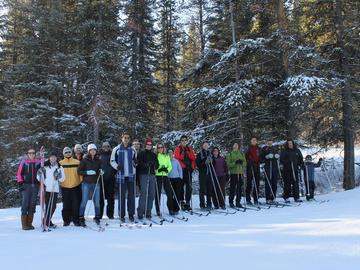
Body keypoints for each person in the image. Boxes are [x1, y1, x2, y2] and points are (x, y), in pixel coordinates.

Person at [110, 133, 137, 222]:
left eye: (128, 138)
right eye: (125, 138)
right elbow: (112, 161)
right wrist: (117, 166)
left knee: (131, 196)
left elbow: (135, 160)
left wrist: (135, 165)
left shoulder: (132, 149)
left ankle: (131, 214)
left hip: (130, 176)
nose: (126, 139)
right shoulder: (116, 149)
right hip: (121, 176)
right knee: (121, 196)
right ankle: (121, 215)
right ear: (122, 139)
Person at [37, 152, 65, 228]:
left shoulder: (59, 167)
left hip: (54, 189)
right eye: (51, 157)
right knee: (47, 206)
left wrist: (58, 175)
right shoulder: (45, 166)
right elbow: (38, 178)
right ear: (49, 158)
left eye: (54, 157)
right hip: (46, 189)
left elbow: (63, 179)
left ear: (56, 158)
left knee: (53, 206)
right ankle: (47, 221)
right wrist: (40, 174)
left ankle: (46, 220)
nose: (53, 158)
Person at [78, 144, 102, 226]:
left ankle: (97, 216)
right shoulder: (84, 160)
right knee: (84, 201)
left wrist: (101, 172)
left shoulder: (98, 160)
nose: (93, 151)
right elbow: (79, 171)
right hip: (86, 183)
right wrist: (87, 172)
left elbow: (99, 170)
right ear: (88, 151)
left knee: (97, 201)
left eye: (94, 150)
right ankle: (81, 217)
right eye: (91, 150)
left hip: (96, 183)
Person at [17, 148, 41, 230]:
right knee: (25, 203)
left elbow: (42, 170)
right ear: (27, 154)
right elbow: (19, 173)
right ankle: (24, 224)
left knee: (33, 203)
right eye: (30, 153)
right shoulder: (24, 162)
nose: (31, 154)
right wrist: (20, 183)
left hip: (35, 185)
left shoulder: (38, 161)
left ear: (35, 154)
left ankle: (29, 223)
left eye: (33, 153)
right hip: (26, 185)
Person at [59, 147, 82, 226]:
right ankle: (66, 220)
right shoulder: (60, 163)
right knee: (66, 204)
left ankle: (76, 220)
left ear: (71, 153)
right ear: (63, 154)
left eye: (69, 152)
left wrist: (80, 181)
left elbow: (80, 173)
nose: (68, 153)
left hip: (75, 186)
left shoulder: (77, 162)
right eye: (66, 152)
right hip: (65, 187)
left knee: (76, 204)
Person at [137, 139, 159, 219]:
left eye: (150, 144)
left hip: (152, 175)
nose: (149, 146)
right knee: (144, 193)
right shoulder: (141, 153)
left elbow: (157, 165)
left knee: (152, 194)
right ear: (145, 145)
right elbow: (139, 163)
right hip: (143, 175)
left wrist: (154, 164)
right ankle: (140, 211)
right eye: (147, 144)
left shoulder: (154, 155)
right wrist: (145, 165)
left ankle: (148, 211)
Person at [174, 135, 196, 211]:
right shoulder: (178, 149)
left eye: (185, 140)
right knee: (181, 186)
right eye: (182, 140)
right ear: (181, 141)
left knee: (189, 186)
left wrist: (192, 167)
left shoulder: (189, 149)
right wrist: (184, 166)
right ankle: (182, 201)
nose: (184, 141)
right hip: (181, 170)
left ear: (187, 141)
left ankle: (187, 201)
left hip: (188, 169)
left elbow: (193, 159)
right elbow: (177, 159)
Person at [280, 139, 304, 203]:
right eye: (289, 143)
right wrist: (287, 162)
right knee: (287, 184)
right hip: (287, 170)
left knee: (295, 183)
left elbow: (300, 159)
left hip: (295, 169)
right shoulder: (285, 151)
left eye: (291, 143)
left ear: (293, 144)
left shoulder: (297, 150)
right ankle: (286, 197)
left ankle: (296, 197)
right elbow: (282, 160)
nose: (290, 144)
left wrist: (300, 164)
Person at [226, 143, 247, 208]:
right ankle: (231, 202)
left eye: (236, 146)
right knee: (232, 188)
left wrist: (241, 163)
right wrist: (235, 163)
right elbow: (228, 164)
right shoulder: (229, 154)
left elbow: (245, 163)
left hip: (240, 173)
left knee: (239, 188)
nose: (235, 147)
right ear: (232, 147)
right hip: (233, 173)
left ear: (238, 147)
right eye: (234, 146)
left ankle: (238, 201)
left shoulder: (241, 154)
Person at [154, 143, 172, 216]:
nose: (160, 149)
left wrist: (167, 170)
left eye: (161, 147)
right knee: (158, 193)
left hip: (165, 176)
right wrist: (158, 169)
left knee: (169, 193)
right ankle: (158, 210)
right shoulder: (155, 156)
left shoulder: (166, 156)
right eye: (159, 148)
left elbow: (170, 166)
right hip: (158, 176)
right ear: (157, 149)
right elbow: (154, 166)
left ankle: (170, 209)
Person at [99, 142, 116, 219]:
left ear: (109, 147)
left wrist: (114, 173)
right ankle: (100, 214)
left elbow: (115, 165)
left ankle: (110, 214)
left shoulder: (112, 154)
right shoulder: (99, 155)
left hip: (111, 179)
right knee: (101, 198)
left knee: (111, 198)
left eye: (107, 146)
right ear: (102, 147)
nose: (106, 148)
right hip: (102, 179)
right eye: (104, 146)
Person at [196, 141, 214, 210]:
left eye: (207, 145)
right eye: (205, 145)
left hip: (209, 173)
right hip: (203, 173)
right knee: (202, 189)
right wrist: (205, 162)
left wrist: (212, 161)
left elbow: (213, 163)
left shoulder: (210, 153)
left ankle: (209, 204)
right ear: (203, 146)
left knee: (209, 189)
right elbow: (198, 164)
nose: (206, 146)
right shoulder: (200, 154)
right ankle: (202, 204)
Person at [245, 138, 262, 205]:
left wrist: (260, 160)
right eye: (253, 141)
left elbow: (260, 156)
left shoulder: (258, 148)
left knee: (257, 183)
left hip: (257, 166)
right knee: (249, 183)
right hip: (250, 166)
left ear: (256, 141)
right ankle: (248, 199)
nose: (254, 142)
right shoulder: (248, 148)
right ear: (251, 141)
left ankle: (256, 199)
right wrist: (248, 161)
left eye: (255, 140)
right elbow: (245, 156)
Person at [167, 149, 183, 215]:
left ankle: (176, 209)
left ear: (173, 153)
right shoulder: (166, 161)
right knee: (170, 195)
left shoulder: (176, 161)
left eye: (171, 152)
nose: (170, 154)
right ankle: (170, 209)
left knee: (177, 194)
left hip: (177, 179)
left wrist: (180, 177)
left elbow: (180, 169)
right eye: (169, 152)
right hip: (169, 179)